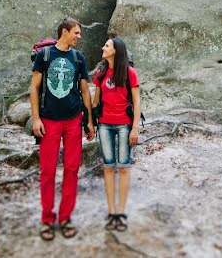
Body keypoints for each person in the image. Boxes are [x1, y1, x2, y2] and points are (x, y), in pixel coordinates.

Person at [30, 17, 95, 240]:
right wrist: (36, 119)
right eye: (76, 33)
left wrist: (89, 121)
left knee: (72, 170)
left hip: (73, 120)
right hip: (49, 121)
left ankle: (65, 218)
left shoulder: (79, 58)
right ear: (65, 31)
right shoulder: (44, 56)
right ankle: (47, 219)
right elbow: (34, 88)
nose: (79, 37)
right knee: (47, 172)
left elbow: (85, 91)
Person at [92, 36, 140, 232]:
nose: (103, 48)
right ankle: (112, 212)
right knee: (109, 167)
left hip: (124, 125)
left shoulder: (130, 73)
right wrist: (90, 124)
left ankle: (121, 212)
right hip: (104, 125)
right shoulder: (101, 73)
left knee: (124, 167)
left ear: (116, 51)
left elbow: (137, 102)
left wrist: (135, 128)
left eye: (107, 46)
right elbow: (95, 103)